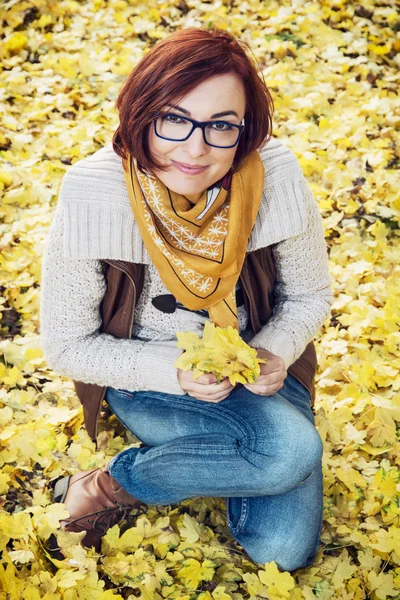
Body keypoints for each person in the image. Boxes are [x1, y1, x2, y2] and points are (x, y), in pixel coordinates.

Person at [40, 26, 334, 572]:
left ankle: (148, 476)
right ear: (140, 113)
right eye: (174, 119)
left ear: (246, 130)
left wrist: (272, 349)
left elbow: (310, 295)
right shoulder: (93, 191)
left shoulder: (276, 173)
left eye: (221, 125)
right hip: (151, 383)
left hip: (258, 372)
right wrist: (173, 371)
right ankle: (117, 485)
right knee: (290, 452)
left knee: (281, 551)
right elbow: (66, 345)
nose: (195, 150)